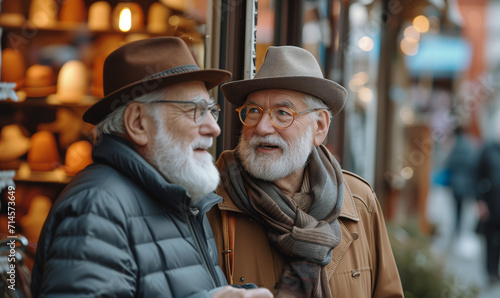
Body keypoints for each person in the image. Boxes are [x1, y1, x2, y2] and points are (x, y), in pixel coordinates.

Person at [31, 37, 272, 298]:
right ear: (137, 123)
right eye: (195, 110)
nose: (214, 128)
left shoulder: (179, 198)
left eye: (211, 110)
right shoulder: (96, 207)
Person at [208, 46, 404, 297]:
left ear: (319, 126)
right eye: (254, 111)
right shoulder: (211, 202)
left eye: (282, 113)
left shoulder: (358, 202)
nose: (262, 127)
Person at [476, 113, 500, 284]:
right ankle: (490, 271)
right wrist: (480, 201)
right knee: (490, 240)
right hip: (491, 204)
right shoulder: (487, 150)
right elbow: (477, 175)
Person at [444, 126, 478, 236]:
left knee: (456, 208)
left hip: (455, 182)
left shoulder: (455, 146)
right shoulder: (469, 146)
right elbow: (473, 165)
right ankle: (462, 230)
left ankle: (457, 228)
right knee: (464, 208)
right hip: (466, 183)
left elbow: (449, 163)